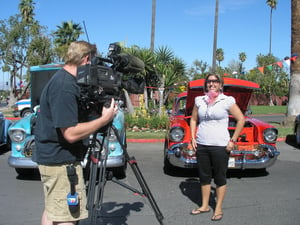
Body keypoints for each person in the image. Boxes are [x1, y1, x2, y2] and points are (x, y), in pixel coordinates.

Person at [32, 41, 118, 225]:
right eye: (92, 62)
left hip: (55, 160)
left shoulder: (67, 81)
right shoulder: (64, 85)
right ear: (86, 59)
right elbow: (70, 133)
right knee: (67, 218)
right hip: (61, 162)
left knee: (54, 212)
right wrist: (104, 119)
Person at [189, 73, 245, 221]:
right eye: (209, 81)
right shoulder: (199, 100)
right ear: (205, 84)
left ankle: (218, 208)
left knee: (220, 177)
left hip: (221, 146)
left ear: (221, 84)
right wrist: (193, 137)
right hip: (202, 145)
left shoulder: (227, 100)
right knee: (204, 177)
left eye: (215, 81)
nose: (212, 84)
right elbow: (194, 119)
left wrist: (232, 140)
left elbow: (241, 119)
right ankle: (204, 206)